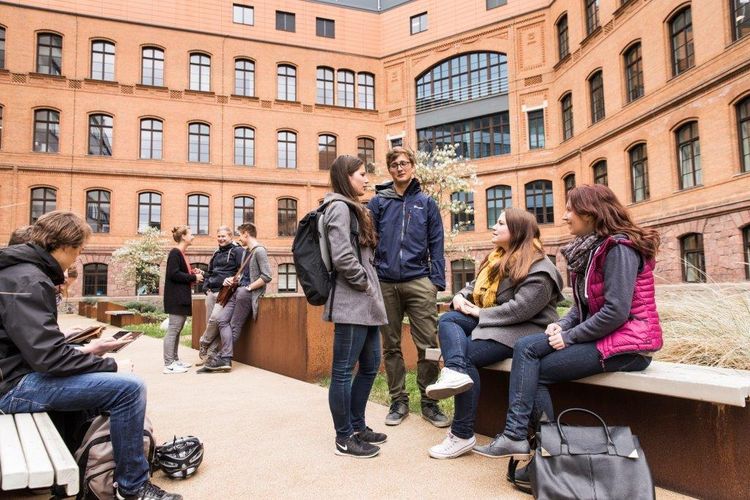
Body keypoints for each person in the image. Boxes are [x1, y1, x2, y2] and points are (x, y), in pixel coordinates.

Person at [0, 211, 182, 500]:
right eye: (80, 250)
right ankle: (133, 487)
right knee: (129, 390)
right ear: (65, 247)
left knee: (103, 382)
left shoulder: (20, 273)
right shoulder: (29, 280)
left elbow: (39, 348)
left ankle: (95, 460)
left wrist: (90, 354)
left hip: (14, 375)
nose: (78, 257)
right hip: (13, 388)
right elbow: (50, 359)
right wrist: (110, 364)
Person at [473, 184, 663, 461]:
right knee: (526, 347)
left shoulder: (620, 248)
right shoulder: (593, 249)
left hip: (631, 346)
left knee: (533, 368)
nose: (564, 216)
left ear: (590, 213)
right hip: (606, 337)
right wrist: (562, 325)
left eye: (570, 209)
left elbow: (616, 312)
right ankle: (535, 443)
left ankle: (541, 447)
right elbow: (582, 305)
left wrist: (571, 337)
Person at [426, 208, 564, 459]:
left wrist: (479, 314)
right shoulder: (497, 259)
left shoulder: (540, 267)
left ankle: (461, 434)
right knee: (448, 319)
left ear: (517, 231)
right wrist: (460, 296)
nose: (494, 226)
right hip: (496, 324)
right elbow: (473, 287)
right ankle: (454, 372)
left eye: (500, 223)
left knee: (467, 355)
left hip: (525, 330)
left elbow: (521, 310)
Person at [367, 146, 448, 428]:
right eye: (394, 164)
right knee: (390, 346)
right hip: (386, 282)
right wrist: (373, 277)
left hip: (419, 281)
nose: (400, 168)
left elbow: (437, 243)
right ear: (389, 170)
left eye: (404, 163)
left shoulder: (426, 203)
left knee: (428, 344)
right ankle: (398, 401)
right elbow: (369, 240)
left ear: (413, 166)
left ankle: (429, 401)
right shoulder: (378, 203)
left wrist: (435, 282)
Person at [323, 155, 388, 458]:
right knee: (343, 371)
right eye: (361, 174)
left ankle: (358, 425)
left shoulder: (354, 208)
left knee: (372, 364)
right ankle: (343, 437)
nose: (366, 179)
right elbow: (342, 256)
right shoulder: (338, 207)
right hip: (352, 302)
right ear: (346, 177)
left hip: (366, 303)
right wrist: (363, 282)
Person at [201, 222, 271, 372]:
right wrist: (233, 280)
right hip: (237, 290)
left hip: (246, 293)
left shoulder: (260, 251)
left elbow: (266, 276)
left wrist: (249, 287)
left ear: (246, 233)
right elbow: (244, 275)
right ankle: (222, 356)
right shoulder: (246, 252)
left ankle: (224, 357)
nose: (239, 239)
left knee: (234, 325)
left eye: (240, 235)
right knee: (221, 320)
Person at [196, 226, 243, 365]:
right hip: (211, 291)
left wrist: (234, 281)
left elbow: (241, 271)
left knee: (215, 320)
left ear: (230, 237)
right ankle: (209, 357)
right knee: (209, 323)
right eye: (219, 236)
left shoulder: (237, 251)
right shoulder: (216, 252)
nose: (221, 239)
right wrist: (206, 286)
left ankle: (204, 342)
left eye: (224, 236)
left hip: (225, 293)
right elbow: (211, 272)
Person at [163, 225, 203, 374]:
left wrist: (193, 272)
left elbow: (180, 273)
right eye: (191, 234)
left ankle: (175, 360)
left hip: (180, 297)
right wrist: (193, 277)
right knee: (173, 330)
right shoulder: (175, 253)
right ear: (184, 237)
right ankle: (168, 364)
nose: (193, 237)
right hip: (175, 298)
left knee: (177, 330)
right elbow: (173, 274)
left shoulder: (181, 254)